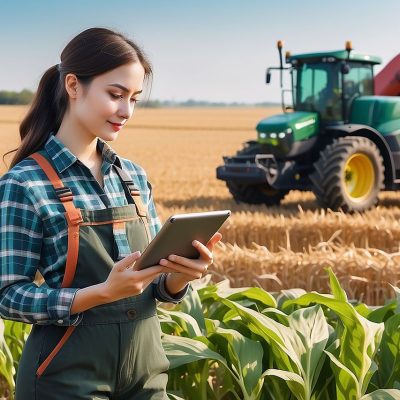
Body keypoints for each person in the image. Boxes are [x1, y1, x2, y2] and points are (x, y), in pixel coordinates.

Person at [0, 27, 222, 399]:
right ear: (73, 86)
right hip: (65, 377)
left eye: (134, 98)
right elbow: (7, 295)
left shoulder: (133, 177)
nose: (126, 111)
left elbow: (153, 285)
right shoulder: (25, 183)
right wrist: (99, 293)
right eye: (115, 95)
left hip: (146, 371)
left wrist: (180, 276)